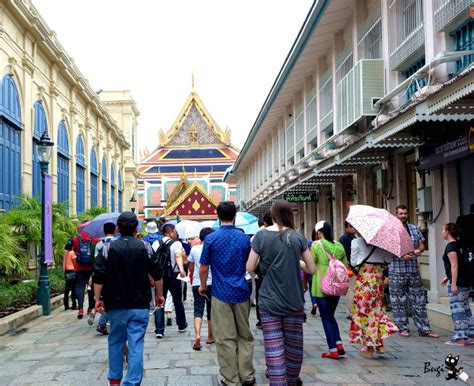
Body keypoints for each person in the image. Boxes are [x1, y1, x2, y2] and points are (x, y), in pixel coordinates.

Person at [247, 200, 315, 386]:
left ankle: (278, 382)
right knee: (294, 345)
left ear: (273, 214)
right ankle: (292, 379)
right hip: (294, 299)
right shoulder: (297, 237)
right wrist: (296, 262)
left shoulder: (260, 237)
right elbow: (311, 268)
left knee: (273, 345)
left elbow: (249, 266)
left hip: (269, 300)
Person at [93, 211, 164, 386]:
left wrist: (97, 298)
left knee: (115, 341)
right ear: (136, 229)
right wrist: (160, 295)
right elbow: (157, 273)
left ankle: (115, 381)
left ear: (118, 228)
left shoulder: (107, 248)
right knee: (136, 344)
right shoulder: (145, 247)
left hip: (115, 304)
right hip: (139, 304)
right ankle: (131, 382)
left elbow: (99, 275)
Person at [199, 201, 255, 386]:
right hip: (241, 290)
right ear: (235, 216)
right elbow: (251, 264)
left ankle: (231, 379)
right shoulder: (244, 238)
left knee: (225, 338)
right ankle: (247, 375)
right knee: (244, 335)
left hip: (221, 292)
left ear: (217, 216)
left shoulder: (211, 239)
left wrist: (202, 286)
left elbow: (204, 268)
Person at [389, 204, 439, 338]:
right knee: (399, 301)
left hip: (413, 270)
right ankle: (402, 328)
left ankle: (424, 329)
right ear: (396, 215)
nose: (403, 216)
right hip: (397, 271)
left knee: (419, 300)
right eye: (400, 213)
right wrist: (401, 255)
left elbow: (422, 245)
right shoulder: (391, 231)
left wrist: (419, 251)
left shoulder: (414, 229)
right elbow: (387, 252)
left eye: (405, 213)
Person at [349, 236, 398, 358]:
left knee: (364, 313)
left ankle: (370, 348)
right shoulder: (382, 242)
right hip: (377, 280)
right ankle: (379, 344)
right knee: (376, 311)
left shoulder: (356, 242)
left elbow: (354, 262)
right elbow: (387, 260)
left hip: (364, 279)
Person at [311, 220, 349, 359]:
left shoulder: (316, 245)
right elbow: (345, 264)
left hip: (321, 287)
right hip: (336, 287)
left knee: (326, 318)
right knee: (331, 316)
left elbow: (311, 262)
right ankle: (338, 343)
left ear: (319, 232)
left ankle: (332, 350)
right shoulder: (338, 245)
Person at [440, 223, 474, 345]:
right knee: (465, 308)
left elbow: (455, 266)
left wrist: (453, 283)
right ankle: (471, 334)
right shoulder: (459, 245)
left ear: (448, 231)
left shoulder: (451, 247)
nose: (442, 232)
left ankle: (460, 337)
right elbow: (459, 264)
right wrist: (446, 277)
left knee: (458, 309)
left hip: (458, 283)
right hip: (465, 281)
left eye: (443, 229)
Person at [152, 223, 188, 338]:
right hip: (174, 274)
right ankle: (181, 324)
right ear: (171, 232)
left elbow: (153, 260)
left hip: (159, 276)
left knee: (159, 300)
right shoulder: (176, 243)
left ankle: (159, 329)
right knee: (177, 299)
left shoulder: (156, 243)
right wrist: (182, 269)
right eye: (175, 231)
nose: (176, 233)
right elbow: (178, 256)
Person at [188, 227, 215, 351]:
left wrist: (192, 276)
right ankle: (210, 336)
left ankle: (197, 335)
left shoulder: (194, 249)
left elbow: (191, 267)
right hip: (213, 283)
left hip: (198, 282)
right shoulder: (214, 248)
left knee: (198, 309)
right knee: (211, 310)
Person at [92, 222, 117, 335]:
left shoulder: (98, 244)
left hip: (102, 276)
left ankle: (103, 323)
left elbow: (96, 262)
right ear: (115, 230)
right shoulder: (117, 243)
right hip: (114, 276)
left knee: (106, 300)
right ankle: (103, 323)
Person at [72, 233, 99, 319]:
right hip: (91, 267)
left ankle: (80, 308)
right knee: (91, 287)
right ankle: (90, 308)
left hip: (80, 268)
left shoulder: (76, 238)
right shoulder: (94, 239)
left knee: (80, 287)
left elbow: (74, 251)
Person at [339, 221, 356, 320]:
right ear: (346, 228)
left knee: (353, 289)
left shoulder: (354, 237)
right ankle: (350, 312)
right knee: (351, 290)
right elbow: (344, 254)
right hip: (350, 268)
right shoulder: (344, 238)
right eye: (350, 226)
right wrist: (347, 267)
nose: (353, 228)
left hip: (356, 268)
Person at [306, 228, 318, 317]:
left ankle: (314, 303)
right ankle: (319, 303)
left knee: (311, 287)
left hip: (311, 268)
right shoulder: (324, 244)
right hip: (321, 269)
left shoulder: (310, 244)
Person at [63, 239, 77, 310]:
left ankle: (66, 305)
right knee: (73, 289)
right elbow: (75, 263)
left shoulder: (66, 253)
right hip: (72, 272)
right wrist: (77, 270)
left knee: (67, 290)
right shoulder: (72, 253)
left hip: (66, 272)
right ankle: (74, 304)